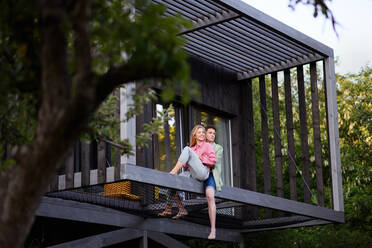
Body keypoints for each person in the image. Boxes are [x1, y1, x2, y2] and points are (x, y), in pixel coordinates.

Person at [158, 125, 216, 220]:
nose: (202, 134)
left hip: (203, 173)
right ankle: (174, 209)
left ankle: (174, 171)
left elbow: (213, 161)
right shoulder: (192, 149)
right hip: (192, 174)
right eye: (199, 132)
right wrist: (188, 161)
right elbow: (185, 165)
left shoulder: (207, 146)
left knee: (186, 149)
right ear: (194, 135)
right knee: (173, 181)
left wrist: (202, 159)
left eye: (203, 132)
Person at [205, 125, 223, 240]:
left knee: (210, 196)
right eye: (210, 133)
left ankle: (213, 230)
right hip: (198, 174)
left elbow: (213, 162)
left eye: (214, 133)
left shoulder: (218, 148)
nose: (212, 135)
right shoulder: (199, 145)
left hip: (211, 175)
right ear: (205, 134)